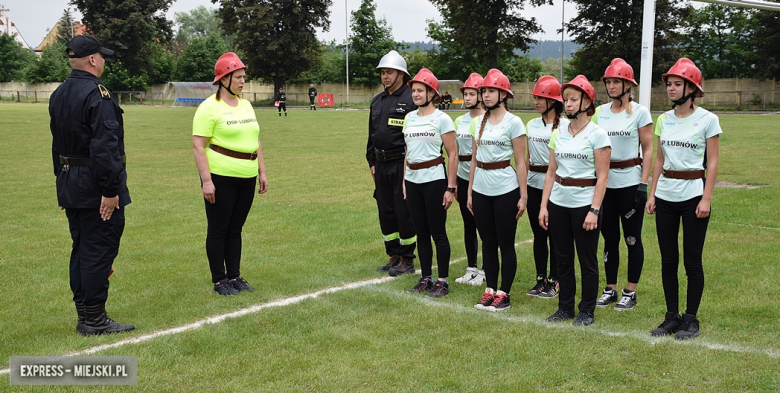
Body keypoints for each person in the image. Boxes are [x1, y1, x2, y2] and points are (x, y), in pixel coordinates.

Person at [49, 34, 134, 336]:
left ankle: (85, 313)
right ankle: (94, 318)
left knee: (82, 248)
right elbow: (105, 148)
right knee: (98, 249)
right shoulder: (98, 94)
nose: (104, 61)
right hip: (96, 185)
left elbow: (56, 145)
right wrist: (111, 191)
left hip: (71, 181)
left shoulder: (59, 93)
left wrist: (62, 184)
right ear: (93, 60)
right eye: (102, 56)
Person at [646, 58, 720, 340]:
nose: (671, 89)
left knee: (692, 260)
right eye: (669, 84)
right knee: (668, 260)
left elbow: (712, 164)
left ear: (692, 88)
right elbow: (660, 159)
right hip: (665, 195)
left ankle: (690, 318)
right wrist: (652, 193)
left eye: (677, 84)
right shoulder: (663, 119)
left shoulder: (708, 119)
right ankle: (671, 316)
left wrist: (706, 198)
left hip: (693, 197)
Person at [192, 52, 269, 296]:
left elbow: (255, 139)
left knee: (236, 229)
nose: (242, 81)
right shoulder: (208, 108)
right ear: (223, 79)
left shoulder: (246, 105)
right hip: (221, 176)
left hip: (248, 176)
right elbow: (198, 145)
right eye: (238, 77)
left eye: (243, 77)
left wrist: (262, 171)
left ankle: (234, 276)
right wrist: (207, 181)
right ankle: (219, 280)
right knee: (218, 229)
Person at [540, 75, 611, 326]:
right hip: (559, 203)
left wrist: (594, 210)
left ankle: (587, 311)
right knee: (562, 258)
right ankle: (565, 307)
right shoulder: (557, 132)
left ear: (587, 102)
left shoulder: (598, 134)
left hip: (584, 205)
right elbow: (550, 172)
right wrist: (544, 206)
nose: (568, 104)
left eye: (573, 99)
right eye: (566, 99)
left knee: (587, 260)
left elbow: (602, 178)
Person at [591, 58, 653, 311]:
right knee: (609, 238)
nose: (612, 86)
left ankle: (631, 290)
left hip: (630, 182)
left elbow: (648, 149)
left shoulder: (640, 112)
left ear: (628, 85)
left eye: (617, 81)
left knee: (631, 237)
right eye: (609, 81)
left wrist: (643, 184)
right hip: (605, 184)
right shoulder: (599, 112)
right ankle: (611, 288)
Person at [468, 69, 528, 312]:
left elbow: (521, 162)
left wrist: (523, 196)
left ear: (503, 94)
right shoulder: (476, 122)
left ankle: (504, 292)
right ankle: (490, 289)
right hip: (481, 189)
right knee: (488, 243)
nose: (486, 94)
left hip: (505, 189)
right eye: (484, 90)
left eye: (491, 90)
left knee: (505, 243)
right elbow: (473, 159)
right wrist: (471, 192)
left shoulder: (514, 122)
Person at [403, 68, 458, 297]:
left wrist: (451, 188)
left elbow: (453, 154)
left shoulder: (442, 118)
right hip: (413, 181)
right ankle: (426, 277)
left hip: (435, 180)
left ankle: (442, 281)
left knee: (438, 233)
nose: (415, 94)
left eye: (420, 90)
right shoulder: (408, 117)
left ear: (431, 92)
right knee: (421, 233)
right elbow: (407, 151)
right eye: (414, 90)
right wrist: (404, 182)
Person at [367, 50, 418, 276]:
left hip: (401, 164)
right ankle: (393, 254)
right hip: (381, 165)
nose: (385, 76)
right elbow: (372, 134)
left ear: (401, 74)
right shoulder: (377, 101)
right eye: (382, 72)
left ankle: (407, 259)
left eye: (389, 72)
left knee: (402, 211)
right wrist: (371, 161)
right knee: (386, 211)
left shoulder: (411, 100)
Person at [524, 75, 569, 299]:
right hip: (533, 184)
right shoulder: (531, 124)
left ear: (553, 101)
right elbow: (527, 157)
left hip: (555, 187)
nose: (537, 102)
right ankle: (541, 278)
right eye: (535, 97)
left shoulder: (565, 125)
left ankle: (555, 279)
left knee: (555, 235)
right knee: (538, 235)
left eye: (542, 97)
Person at [453, 73, 486, 286]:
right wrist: (454, 182)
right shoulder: (459, 120)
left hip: (482, 178)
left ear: (481, 95)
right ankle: (471, 267)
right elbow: (454, 153)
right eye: (465, 93)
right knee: (468, 224)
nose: (467, 98)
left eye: (471, 94)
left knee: (484, 225)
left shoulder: (488, 119)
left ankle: (485, 270)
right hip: (463, 176)